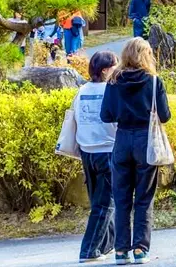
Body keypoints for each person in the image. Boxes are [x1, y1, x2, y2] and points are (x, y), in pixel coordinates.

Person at [99, 38, 170, 265]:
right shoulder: (153, 81)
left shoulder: (113, 81)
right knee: (143, 198)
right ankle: (140, 249)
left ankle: (121, 251)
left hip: (121, 140)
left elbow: (105, 116)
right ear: (146, 55)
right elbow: (165, 116)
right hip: (145, 141)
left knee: (121, 199)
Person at [74, 50, 119, 262]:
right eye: (115, 65)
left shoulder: (82, 90)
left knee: (99, 202)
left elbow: (75, 117)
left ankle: (108, 244)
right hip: (107, 151)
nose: (118, 69)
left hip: (86, 152)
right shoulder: (112, 90)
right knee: (106, 204)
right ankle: (89, 251)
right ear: (105, 70)